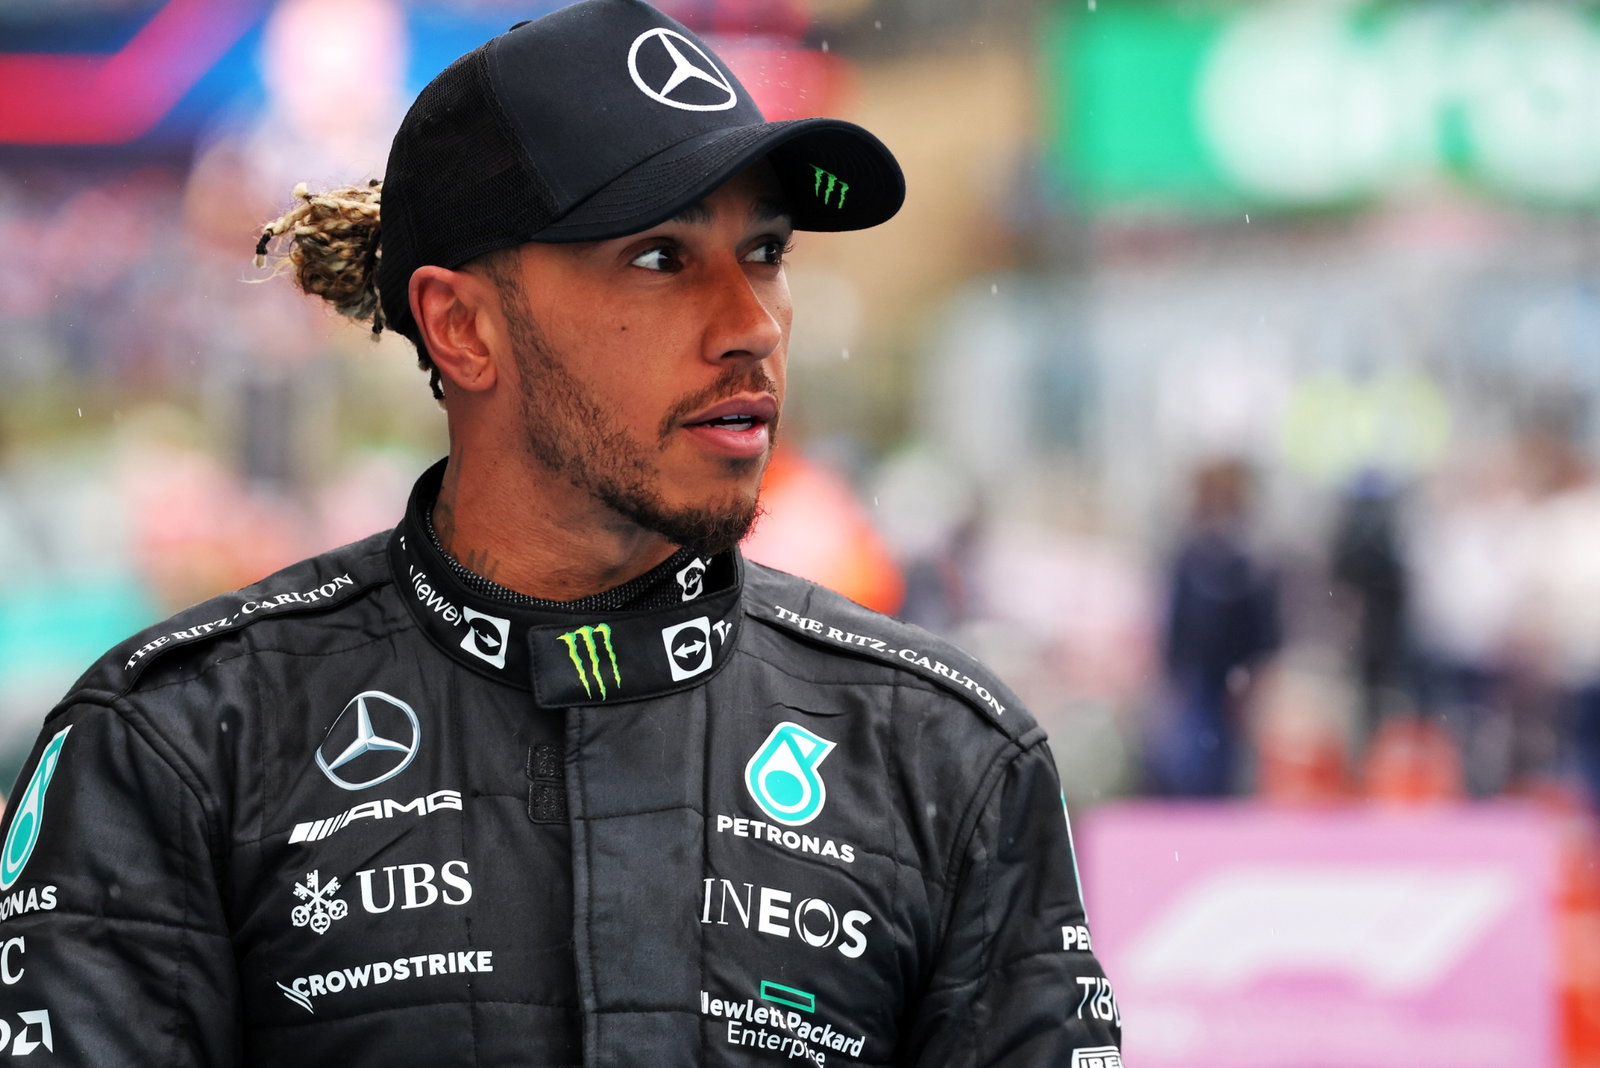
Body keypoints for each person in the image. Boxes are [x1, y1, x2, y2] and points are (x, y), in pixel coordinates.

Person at [0, 2, 1121, 1063]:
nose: (752, 326)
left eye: (767, 251)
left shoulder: (947, 757)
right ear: (462, 327)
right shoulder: (179, 745)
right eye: (661, 258)